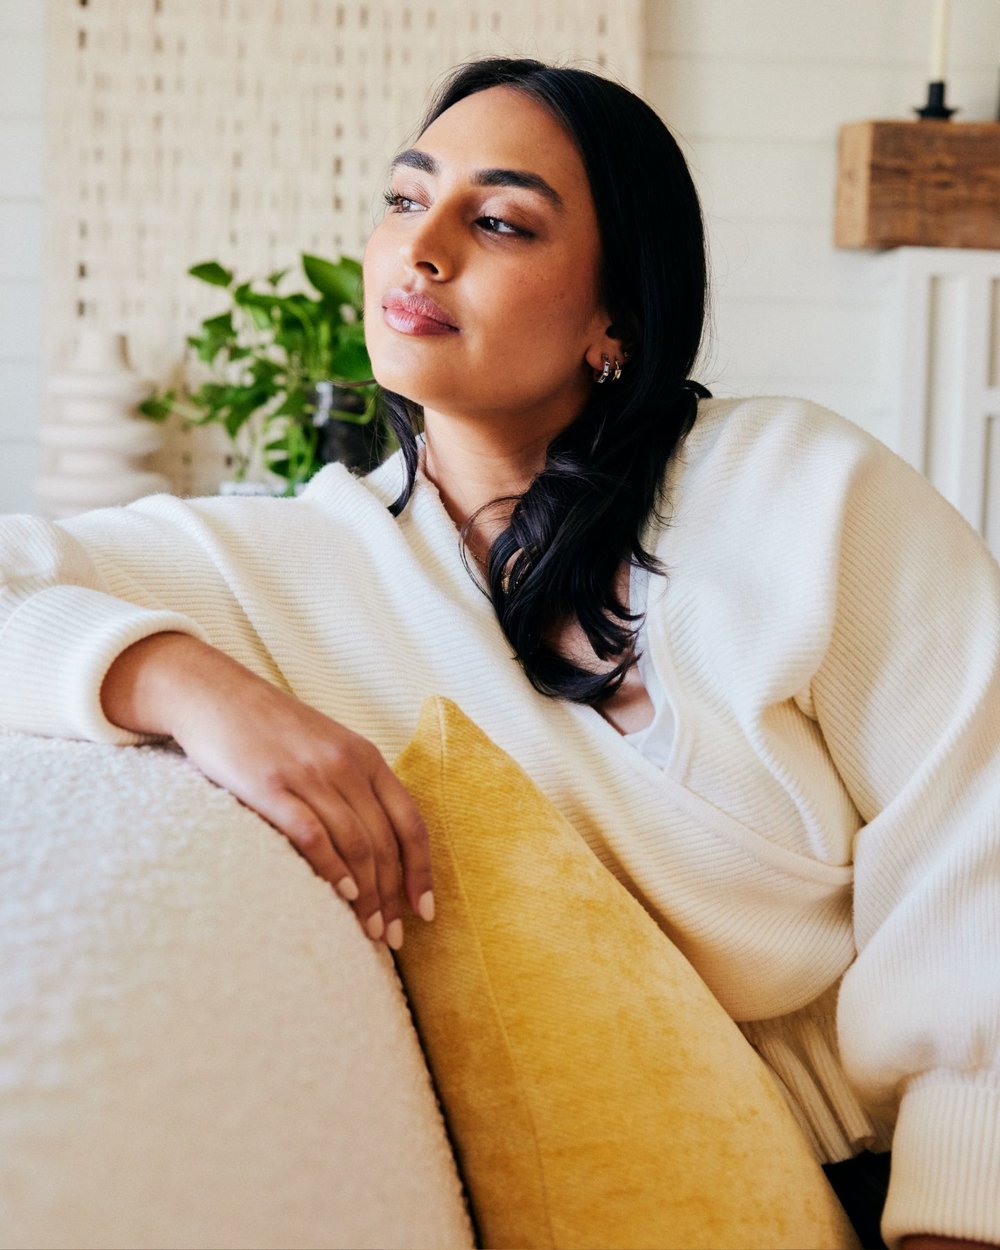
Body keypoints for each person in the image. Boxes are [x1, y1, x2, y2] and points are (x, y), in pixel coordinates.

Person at [0, 56, 997, 1250]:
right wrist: (171, 675)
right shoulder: (293, 559)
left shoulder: (796, 487)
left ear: (612, 319)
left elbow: (975, 826)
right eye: (404, 199)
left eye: (500, 220)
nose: (421, 252)